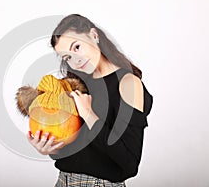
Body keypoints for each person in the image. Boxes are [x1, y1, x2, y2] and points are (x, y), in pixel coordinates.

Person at [27, 14, 153, 187]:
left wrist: (89, 114)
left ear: (94, 35)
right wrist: (51, 149)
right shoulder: (76, 86)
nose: (75, 61)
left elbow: (130, 163)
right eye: (67, 58)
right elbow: (78, 152)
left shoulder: (128, 84)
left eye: (77, 47)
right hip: (63, 181)